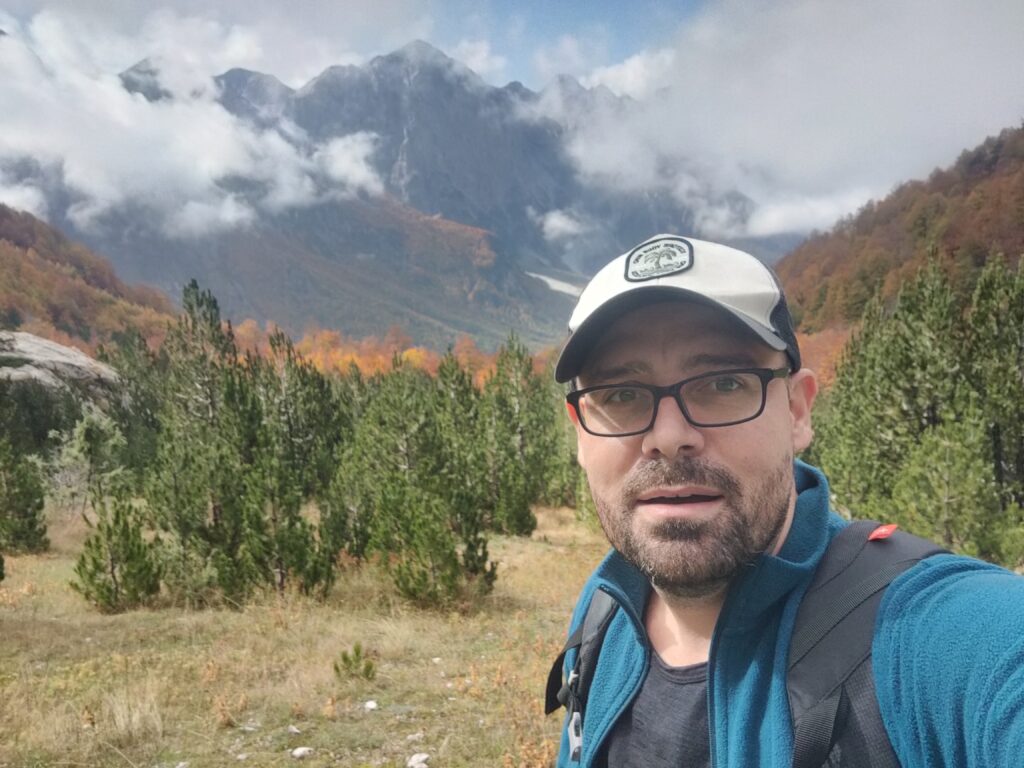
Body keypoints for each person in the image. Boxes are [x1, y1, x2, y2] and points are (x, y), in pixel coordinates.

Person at [549, 233, 1024, 767]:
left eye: (723, 382)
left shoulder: (927, 635)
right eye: (620, 395)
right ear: (581, 434)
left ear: (797, 412)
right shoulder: (607, 606)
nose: (668, 435)